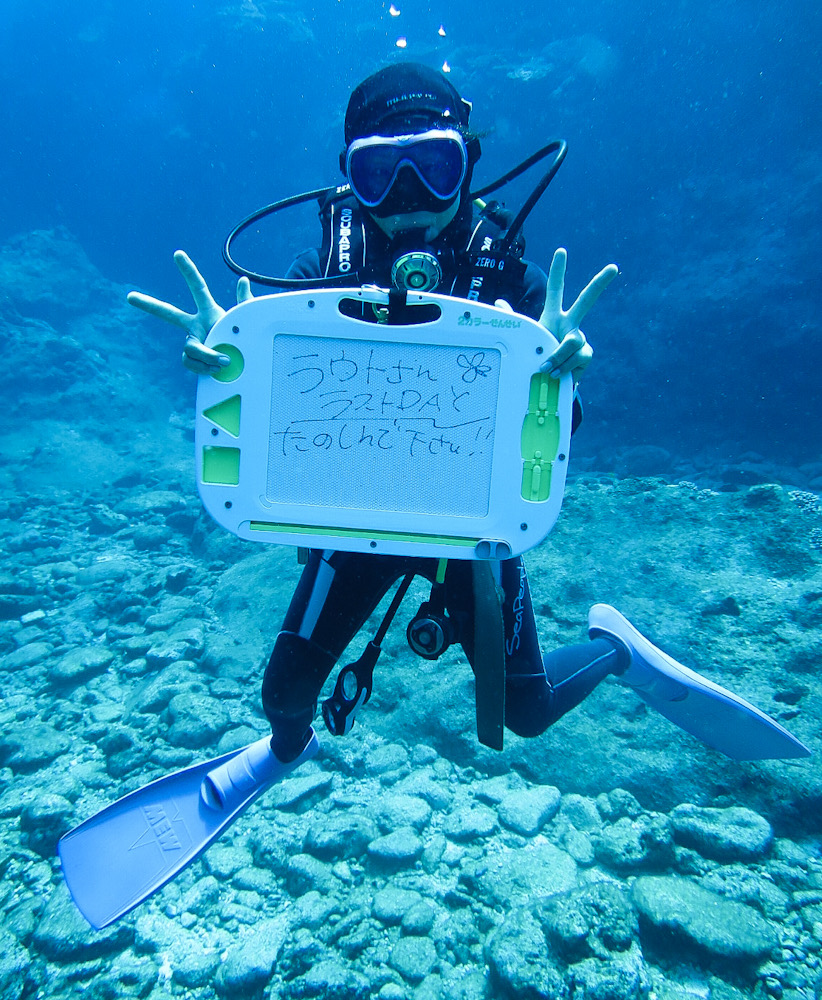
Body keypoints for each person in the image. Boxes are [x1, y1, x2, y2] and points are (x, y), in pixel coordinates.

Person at [59, 62, 808, 932]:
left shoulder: (516, 285)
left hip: (471, 535)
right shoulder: (317, 271)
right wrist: (226, 360)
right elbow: (267, 390)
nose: (409, 194)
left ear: (470, 163)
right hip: (359, 527)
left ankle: (616, 651)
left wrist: (562, 384)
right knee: (282, 698)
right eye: (381, 172)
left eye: (435, 166)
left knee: (524, 714)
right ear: (351, 176)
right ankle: (280, 754)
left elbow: (548, 446)